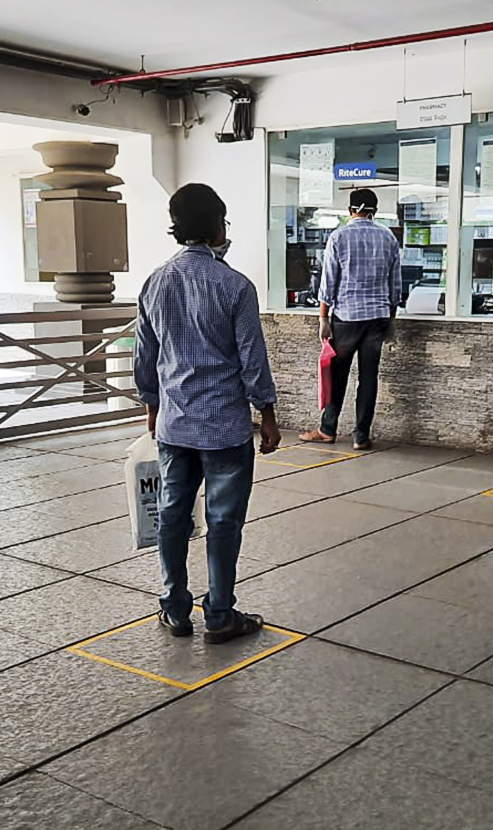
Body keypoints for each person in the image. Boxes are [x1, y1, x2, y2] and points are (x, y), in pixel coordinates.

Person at [134, 183, 282, 644]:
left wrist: (151, 407)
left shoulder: (154, 282)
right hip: (224, 428)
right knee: (223, 522)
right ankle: (220, 615)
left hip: (175, 425)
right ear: (218, 224)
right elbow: (251, 358)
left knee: (173, 515)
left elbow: (145, 356)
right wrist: (267, 412)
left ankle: (174, 608)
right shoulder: (236, 286)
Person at [299, 187, 401, 451]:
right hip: (377, 317)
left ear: (350, 210)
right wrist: (391, 318)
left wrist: (323, 318)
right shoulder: (388, 237)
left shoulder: (339, 236)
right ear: (375, 212)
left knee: (337, 374)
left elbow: (328, 282)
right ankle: (361, 435)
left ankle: (327, 429)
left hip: (346, 317)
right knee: (369, 377)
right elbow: (395, 285)